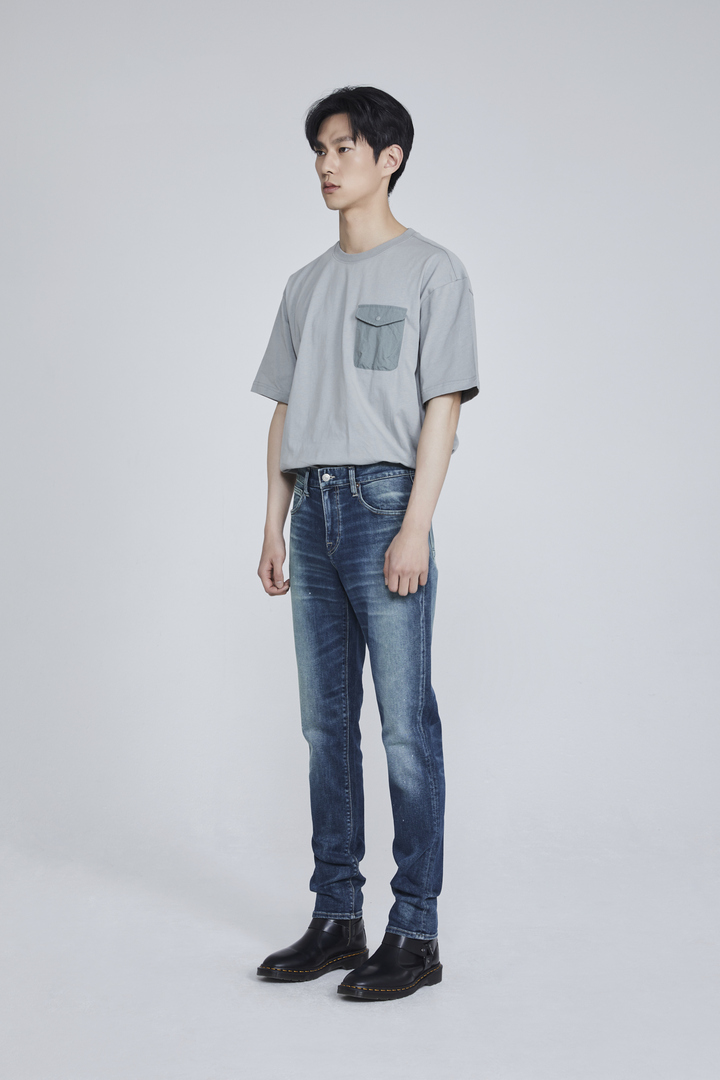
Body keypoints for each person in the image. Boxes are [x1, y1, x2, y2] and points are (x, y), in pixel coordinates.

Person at [251, 86, 479, 1000]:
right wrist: (272, 521)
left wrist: (415, 525)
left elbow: (443, 405)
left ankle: (415, 933)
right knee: (324, 727)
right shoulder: (304, 284)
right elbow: (283, 411)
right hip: (312, 511)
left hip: (386, 504)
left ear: (389, 158)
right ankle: (337, 919)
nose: (326, 164)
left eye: (343, 146)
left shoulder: (433, 271)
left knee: (405, 731)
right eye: (318, 149)